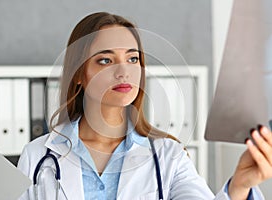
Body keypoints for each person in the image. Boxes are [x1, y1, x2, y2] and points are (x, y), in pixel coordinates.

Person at [18, 12, 272, 200]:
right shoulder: (38, 156)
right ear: (79, 74)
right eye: (105, 60)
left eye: (132, 58)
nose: (123, 71)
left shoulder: (168, 155)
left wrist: (239, 186)